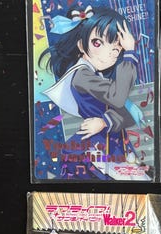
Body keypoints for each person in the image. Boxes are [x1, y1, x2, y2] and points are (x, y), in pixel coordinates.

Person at [39, 5, 143, 179]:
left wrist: (104, 121)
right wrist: (130, 53)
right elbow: (118, 99)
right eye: (98, 43)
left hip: (112, 142)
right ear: (81, 45)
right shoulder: (82, 75)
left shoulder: (97, 76)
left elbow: (126, 115)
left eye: (117, 49)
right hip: (96, 146)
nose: (109, 54)